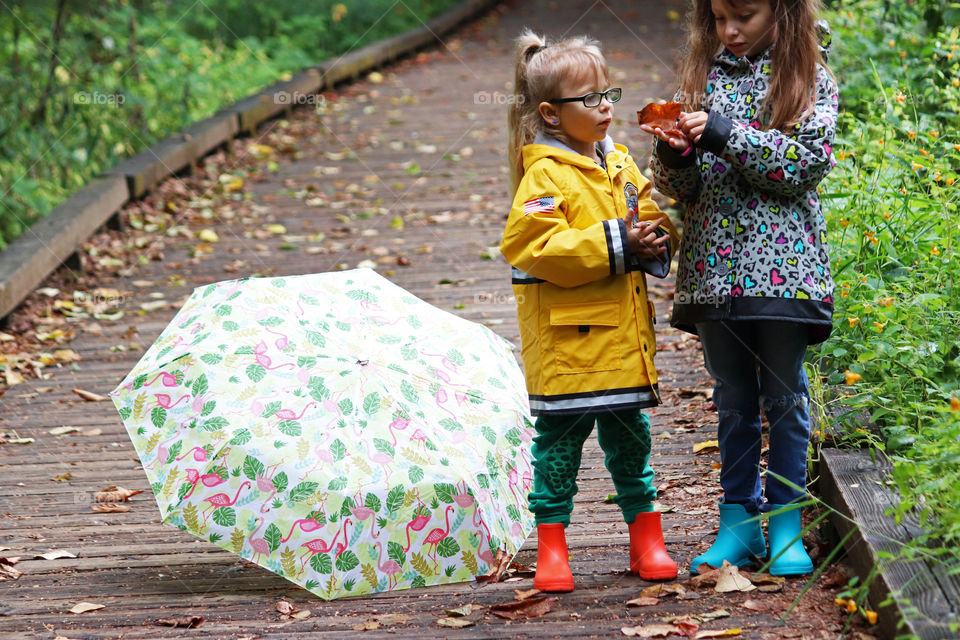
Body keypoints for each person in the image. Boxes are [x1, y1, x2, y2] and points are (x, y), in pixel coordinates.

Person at [641, 0, 838, 577]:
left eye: (744, 17)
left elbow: (802, 165)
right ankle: (738, 522)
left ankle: (785, 523)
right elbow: (681, 189)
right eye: (720, 18)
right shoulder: (702, 79)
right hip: (713, 273)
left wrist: (725, 134)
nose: (729, 30)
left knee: (784, 397)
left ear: (782, 12)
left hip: (784, 270)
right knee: (732, 398)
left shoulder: (808, 80)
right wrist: (674, 152)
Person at [500, 28, 681, 592]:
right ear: (552, 114)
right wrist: (616, 243)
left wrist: (654, 238)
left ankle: (645, 536)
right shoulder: (544, 176)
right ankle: (552, 545)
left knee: (632, 441)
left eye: (610, 93)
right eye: (591, 98)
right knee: (559, 447)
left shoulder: (620, 162)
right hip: (569, 345)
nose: (606, 106)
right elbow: (534, 247)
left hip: (622, 342)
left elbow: (648, 213)